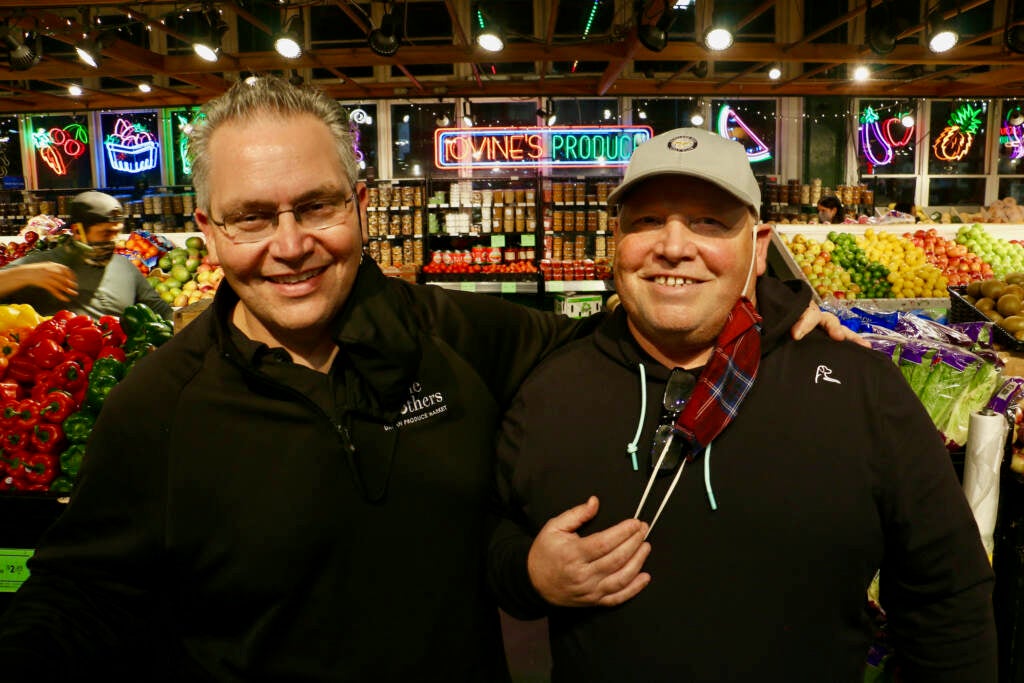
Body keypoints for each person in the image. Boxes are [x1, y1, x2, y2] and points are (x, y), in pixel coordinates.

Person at [0, 80, 851, 681]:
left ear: (361, 204)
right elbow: (81, 593)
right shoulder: (160, 403)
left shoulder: (455, 336)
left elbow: (626, 335)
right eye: (253, 217)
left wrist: (762, 310)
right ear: (208, 230)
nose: (289, 244)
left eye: (317, 206)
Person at [487, 128, 997, 682]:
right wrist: (529, 574)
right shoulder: (551, 386)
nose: (674, 246)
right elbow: (493, 534)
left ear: (758, 248)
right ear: (617, 241)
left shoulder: (860, 387)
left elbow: (947, 599)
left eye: (709, 222)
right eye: (647, 220)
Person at [0, 190, 172, 320]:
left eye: (116, 233)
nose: (113, 240)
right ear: (77, 231)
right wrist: (23, 275)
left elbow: (163, 312)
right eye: (105, 234)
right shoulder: (42, 265)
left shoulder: (125, 268)